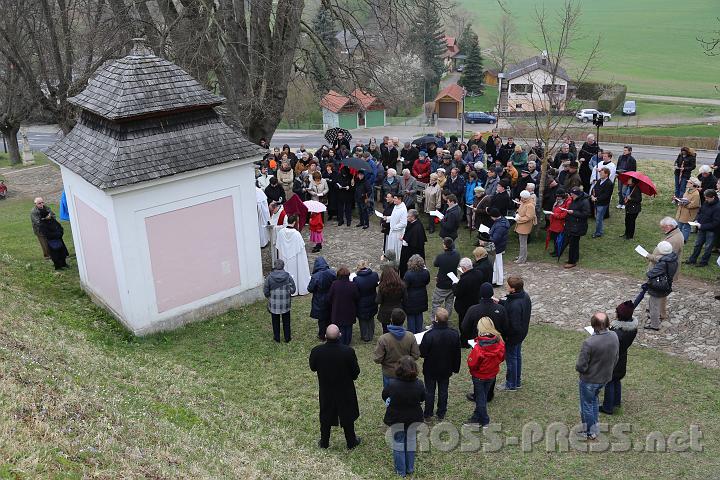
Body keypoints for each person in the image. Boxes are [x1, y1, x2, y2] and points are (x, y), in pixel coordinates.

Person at [309, 324, 362, 450]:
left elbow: (313, 367)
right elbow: (355, 372)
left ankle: (324, 442)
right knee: (347, 414)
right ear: (339, 335)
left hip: (326, 389)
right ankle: (351, 441)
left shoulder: (317, 351)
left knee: (326, 413)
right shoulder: (348, 352)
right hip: (345, 389)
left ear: (326, 336)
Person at [575, 312, 619, 440]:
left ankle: (589, 432)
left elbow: (581, 365)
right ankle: (594, 427)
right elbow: (616, 357)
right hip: (605, 378)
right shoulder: (614, 336)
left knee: (586, 405)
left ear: (593, 324)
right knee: (594, 400)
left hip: (590, 380)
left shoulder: (589, 343)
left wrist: (581, 372)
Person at [382, 356, 424, 478]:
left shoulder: (392, 384)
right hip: (414, 418)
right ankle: (410, 468)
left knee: (398, 443)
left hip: (397, 418)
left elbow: (384, 396)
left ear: (399, 369)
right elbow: (423, 397)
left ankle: (401, 471)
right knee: (410, 441)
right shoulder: (419, 384)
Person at [419, 307, 461, 421]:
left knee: (429, 391)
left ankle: (428, 413)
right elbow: (457, 353)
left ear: (436, 319)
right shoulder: (454, 334)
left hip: (430, 369)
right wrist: (455, 368)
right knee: (443, 391)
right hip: (446, 368)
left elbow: (422, 353)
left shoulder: (429, 335)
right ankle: (441, 412)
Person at [465, 317, 506, 427]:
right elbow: (502, 357)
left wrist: (473, 370)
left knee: (480, 399)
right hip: (492, 374)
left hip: (479, 376)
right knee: (482, 396)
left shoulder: (479, 347)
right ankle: (475, 417)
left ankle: (484, 421)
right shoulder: (500, 341)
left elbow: (472, 363)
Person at [601, 301, 638, 415]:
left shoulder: (617, 333)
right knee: (616, 380)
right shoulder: (631, 328)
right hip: (622, 358)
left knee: (609, 382)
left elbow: (608, 346)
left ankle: (608, 407)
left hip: (613, 360)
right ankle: (616, 402)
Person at [496, 276, 531, 392]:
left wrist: (505, 335)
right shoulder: (524, 296)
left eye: (508, 285)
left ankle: (511, 384)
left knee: (511, 359)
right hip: (521, 333)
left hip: (513, 336)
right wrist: (500, 302)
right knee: (517, 356)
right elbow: (509, 302)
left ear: (513, 289)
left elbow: (514, 325)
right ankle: (517, 381)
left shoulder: (515, 305)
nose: (506, 286)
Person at [375, 309, 420, 387]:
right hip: (406, 372)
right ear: (404, 320)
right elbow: (416, 355)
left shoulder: (383, 339)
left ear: (391, 319)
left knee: (389, 396)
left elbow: (377, 359)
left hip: (389, 373)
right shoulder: (410, 336)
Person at [461, 283, 509, 350]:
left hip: (478, 344)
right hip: (496, 344)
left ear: (480, 294)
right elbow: (506, 327)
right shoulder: (501, 309)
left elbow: (464, 327)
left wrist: (473, 335)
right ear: (492, 293)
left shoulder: (473, 310)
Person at [645, 241, 679, 331]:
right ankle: (654, 317)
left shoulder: (663, 264)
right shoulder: (673, 258)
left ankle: (654, 325)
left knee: (654, 306)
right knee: (656, 303)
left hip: (658, 286)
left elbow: (651, 273)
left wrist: (649, 272)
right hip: (666, 284)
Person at [275, 215, 310, 295]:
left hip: (284, 257)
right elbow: (301, 251)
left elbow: (278, 246)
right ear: (294, 222)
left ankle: (285, 289)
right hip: (294, 259)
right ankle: (295, 288)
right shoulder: (297, 234)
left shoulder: (281, 232)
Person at [263, 259, 296, 343]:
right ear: (283, 266)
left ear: (275, 266)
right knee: (286, 321)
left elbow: (266, 290)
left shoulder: (269, 277)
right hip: (286, 304)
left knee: (275, 321)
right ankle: (287, 338)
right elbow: (293, 290)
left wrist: (269, 297)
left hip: (274, 304)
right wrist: (287, 290)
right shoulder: (288, 276)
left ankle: (277, 338)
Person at [684, 189, 720, 267]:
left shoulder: (718, 207)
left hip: (711, 231)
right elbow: (700, 212)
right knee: (697, 244)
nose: (706, 199)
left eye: (707, 198)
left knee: (708, 247)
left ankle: (703, 262)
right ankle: (692, 260)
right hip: (702, 228)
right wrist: (697, 220)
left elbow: (716, 223)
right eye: (705, 197)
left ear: (713, 197)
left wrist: (702, 226)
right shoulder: (706, 202)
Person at [328, 266, 360, 344]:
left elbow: (329, 297)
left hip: (337, 309)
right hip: (350, 309)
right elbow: (357, 297)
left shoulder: (334, 284)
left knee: (340, 327)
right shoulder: (352, 285)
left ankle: (341, 341)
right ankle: (347, 341)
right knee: (348, 327)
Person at [431, 237, 461, 319]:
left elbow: (435, 264)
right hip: (452, 282)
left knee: (436, 303)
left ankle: (434, 321)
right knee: (449, 303)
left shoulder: (441, 256)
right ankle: (446, 320)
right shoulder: (457, 255)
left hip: (442, 284)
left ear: (445, 246)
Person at [647, 217, 684, 282]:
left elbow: (667, 259)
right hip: (661, 270)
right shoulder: (675, 233)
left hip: (661, 272)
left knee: (657, 287)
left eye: (663, 227)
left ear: (669, 226)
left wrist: (650, 256)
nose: (662, 229)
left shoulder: (674, 240)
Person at [308, 257, 337, 340]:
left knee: (321, 319)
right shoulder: (332, 273)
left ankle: (322, 335)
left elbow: (310, 288)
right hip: (331, 297)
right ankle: (331, 333)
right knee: (330, 316)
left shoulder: (315, 276)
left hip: (319, 299)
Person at [563, 187, 591, 268]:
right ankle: (574, 258)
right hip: (572, 224)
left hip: (578, 226)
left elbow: (586, 214)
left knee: (573, 244)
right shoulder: (575, 199)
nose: (571, 196)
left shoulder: (584, 201)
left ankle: (572, 261)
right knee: (574, 243)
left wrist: (573, 212)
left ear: (577, 194)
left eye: (573, 195)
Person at [403, 255, 430, 334]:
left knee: (411, 317)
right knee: (419, 315)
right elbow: (427, 282)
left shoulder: (408, 274)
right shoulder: (426, 272)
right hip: (422, 297)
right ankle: (419, 332)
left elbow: (405, 286)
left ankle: (412, 335)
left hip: (411, 298)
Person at [453, 257, 484, 327]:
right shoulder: (479, 273)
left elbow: (457, 293)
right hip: (476, 301)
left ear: (464, 268)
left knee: (464, 323)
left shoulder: (464, 280)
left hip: (465, 306)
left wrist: (454, 285)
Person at [354, 261, 380, 342]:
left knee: (363, 319)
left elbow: (356, 292)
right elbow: (376, 284)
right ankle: (371, 334)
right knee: (371, 317)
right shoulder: (374, 275)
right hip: (372, 299)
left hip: (362, 301)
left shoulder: (356, 279)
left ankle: (365, 336)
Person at [376, 268, 408, 335]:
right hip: (398, 310)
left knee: (386, 332)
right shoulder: (402, 285)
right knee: (398, 330)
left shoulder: (382, 287)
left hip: (385, 312)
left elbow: (378, 301)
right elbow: (405, 298)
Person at [398, 209, 427, 278]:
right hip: (408, 248)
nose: (407, 218)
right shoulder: (412, 223)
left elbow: (415, 241)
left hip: (411, 251)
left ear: (413, 217)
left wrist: (405, 240)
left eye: (408, 216)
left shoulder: (417, 227)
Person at [485, 208, 509, 286]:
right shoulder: (501, 221)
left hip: (496, 247)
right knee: (496, 264)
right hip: (497, 247)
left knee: (496, 265)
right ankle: (495, 280)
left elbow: (495, 239)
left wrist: (485, 238)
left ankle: (497, 281)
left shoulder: (500, 226)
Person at [514, 190, 536, 264]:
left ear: (525, 198)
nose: (521, 199)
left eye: (522, 198)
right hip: (521, 225)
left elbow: (529, 217)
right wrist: (517, 213)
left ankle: (522, 259)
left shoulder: (530, 205)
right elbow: (519, 209)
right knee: (521, 242)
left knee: (523, 243)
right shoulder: (524, 202)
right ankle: (522, 255)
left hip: (525, 226)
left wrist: (519, 219)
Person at [548, 189, 571, 256]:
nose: (557, 197)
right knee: (555, 239)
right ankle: (555, 251)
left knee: (559, 239)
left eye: (559, 196)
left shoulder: (566, 203)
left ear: (562, 196)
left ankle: (558, 252)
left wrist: (554, 214)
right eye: (557, 196)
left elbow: (564, 215)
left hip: (560, 224)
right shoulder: (558, 201)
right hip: (554, 223)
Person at [591, 167, 613, 238]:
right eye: (600, 173)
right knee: (598, 218)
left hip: (602, 204)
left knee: (599, 219)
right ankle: (599, 231)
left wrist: (596, 198)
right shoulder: (599, 180)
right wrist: (592, 195)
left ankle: (598, 233)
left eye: (602, 173)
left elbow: (606, 195)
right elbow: (594, 189)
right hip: (597, 202)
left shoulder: (609, 183)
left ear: (606, 174)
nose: (600, 174)